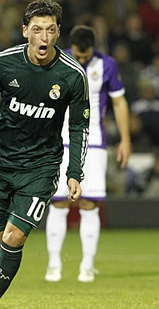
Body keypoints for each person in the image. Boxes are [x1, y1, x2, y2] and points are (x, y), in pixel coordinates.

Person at [0, 1, 90, 309]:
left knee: (14, 237)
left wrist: (73, 173)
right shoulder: (3, 64)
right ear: (25, 32)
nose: (43, 37)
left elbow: (79, 127)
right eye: (37, 30)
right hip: (0, 163)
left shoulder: (72, 75)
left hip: (41, 167)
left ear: (58, 33)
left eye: (50, 30)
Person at [44, 25, 131, 283]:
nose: (81, 61)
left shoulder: (107, 64)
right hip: (59, 140)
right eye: (78, 56)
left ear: (95, 47)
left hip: (92, 140)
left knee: (89, 203)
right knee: (58, 202)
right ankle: (53, 265)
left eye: (86, 57)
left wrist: (125, 139)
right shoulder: (57, 59)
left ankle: (86, 265)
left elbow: (119, 102)